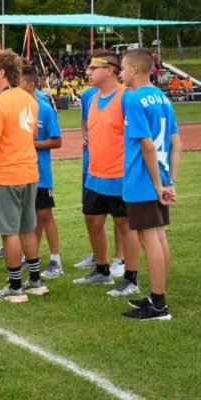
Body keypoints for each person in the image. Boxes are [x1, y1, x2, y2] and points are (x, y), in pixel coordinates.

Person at [119, 49, 182, 320]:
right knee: (157, 235)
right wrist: (171, 181)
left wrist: (158, 185)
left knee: (148, 238)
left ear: (134, 68)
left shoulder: (133, 98)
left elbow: (146, 144)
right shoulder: (163, 97)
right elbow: (176, 142)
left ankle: (158, 305)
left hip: (143, 177)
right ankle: (157, 297)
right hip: (161, 174)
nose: (120, 73)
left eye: (122, 68)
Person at [73, 51, 141, 297]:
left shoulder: (126, 98)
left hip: (120, 175)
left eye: (93, 68)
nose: (88, 72)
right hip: (95, 174)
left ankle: (131, 277)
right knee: (92, 221)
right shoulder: (91, 98)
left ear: (110, 70)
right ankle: (102, 271)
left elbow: (140, 137)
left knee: (125, 225)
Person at [0, 49, 46, 303]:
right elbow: (29, 137)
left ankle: (15, 285)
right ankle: (35, 280)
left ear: (1, 72)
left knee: (9, 232)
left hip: (6, 175)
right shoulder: (30, 100)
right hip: (29, 171)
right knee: (27, 228)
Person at [18, 65, 64, 278]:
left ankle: (55, 260)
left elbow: (57, 141)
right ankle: (31, 256)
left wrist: (31, 144)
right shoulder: (18, 106)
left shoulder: (44, 108)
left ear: (30, 84)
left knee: (45, 214)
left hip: (41, 173)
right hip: (20, 171)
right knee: (28, 217)